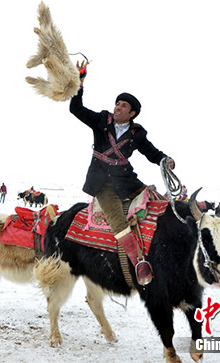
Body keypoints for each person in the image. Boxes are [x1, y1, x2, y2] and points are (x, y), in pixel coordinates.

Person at [70, 61, 175, 285]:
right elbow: (75, 109)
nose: (118, 107)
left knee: (156, 199)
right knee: (118, 220)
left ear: (132, 113)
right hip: (102, 182)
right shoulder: (101, 120)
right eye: (117, 103)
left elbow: (151, 152)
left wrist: (165, 160)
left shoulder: (137, 133)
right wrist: (80, 82)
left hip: (126, 180)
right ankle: (139, 263)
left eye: (123, 105)